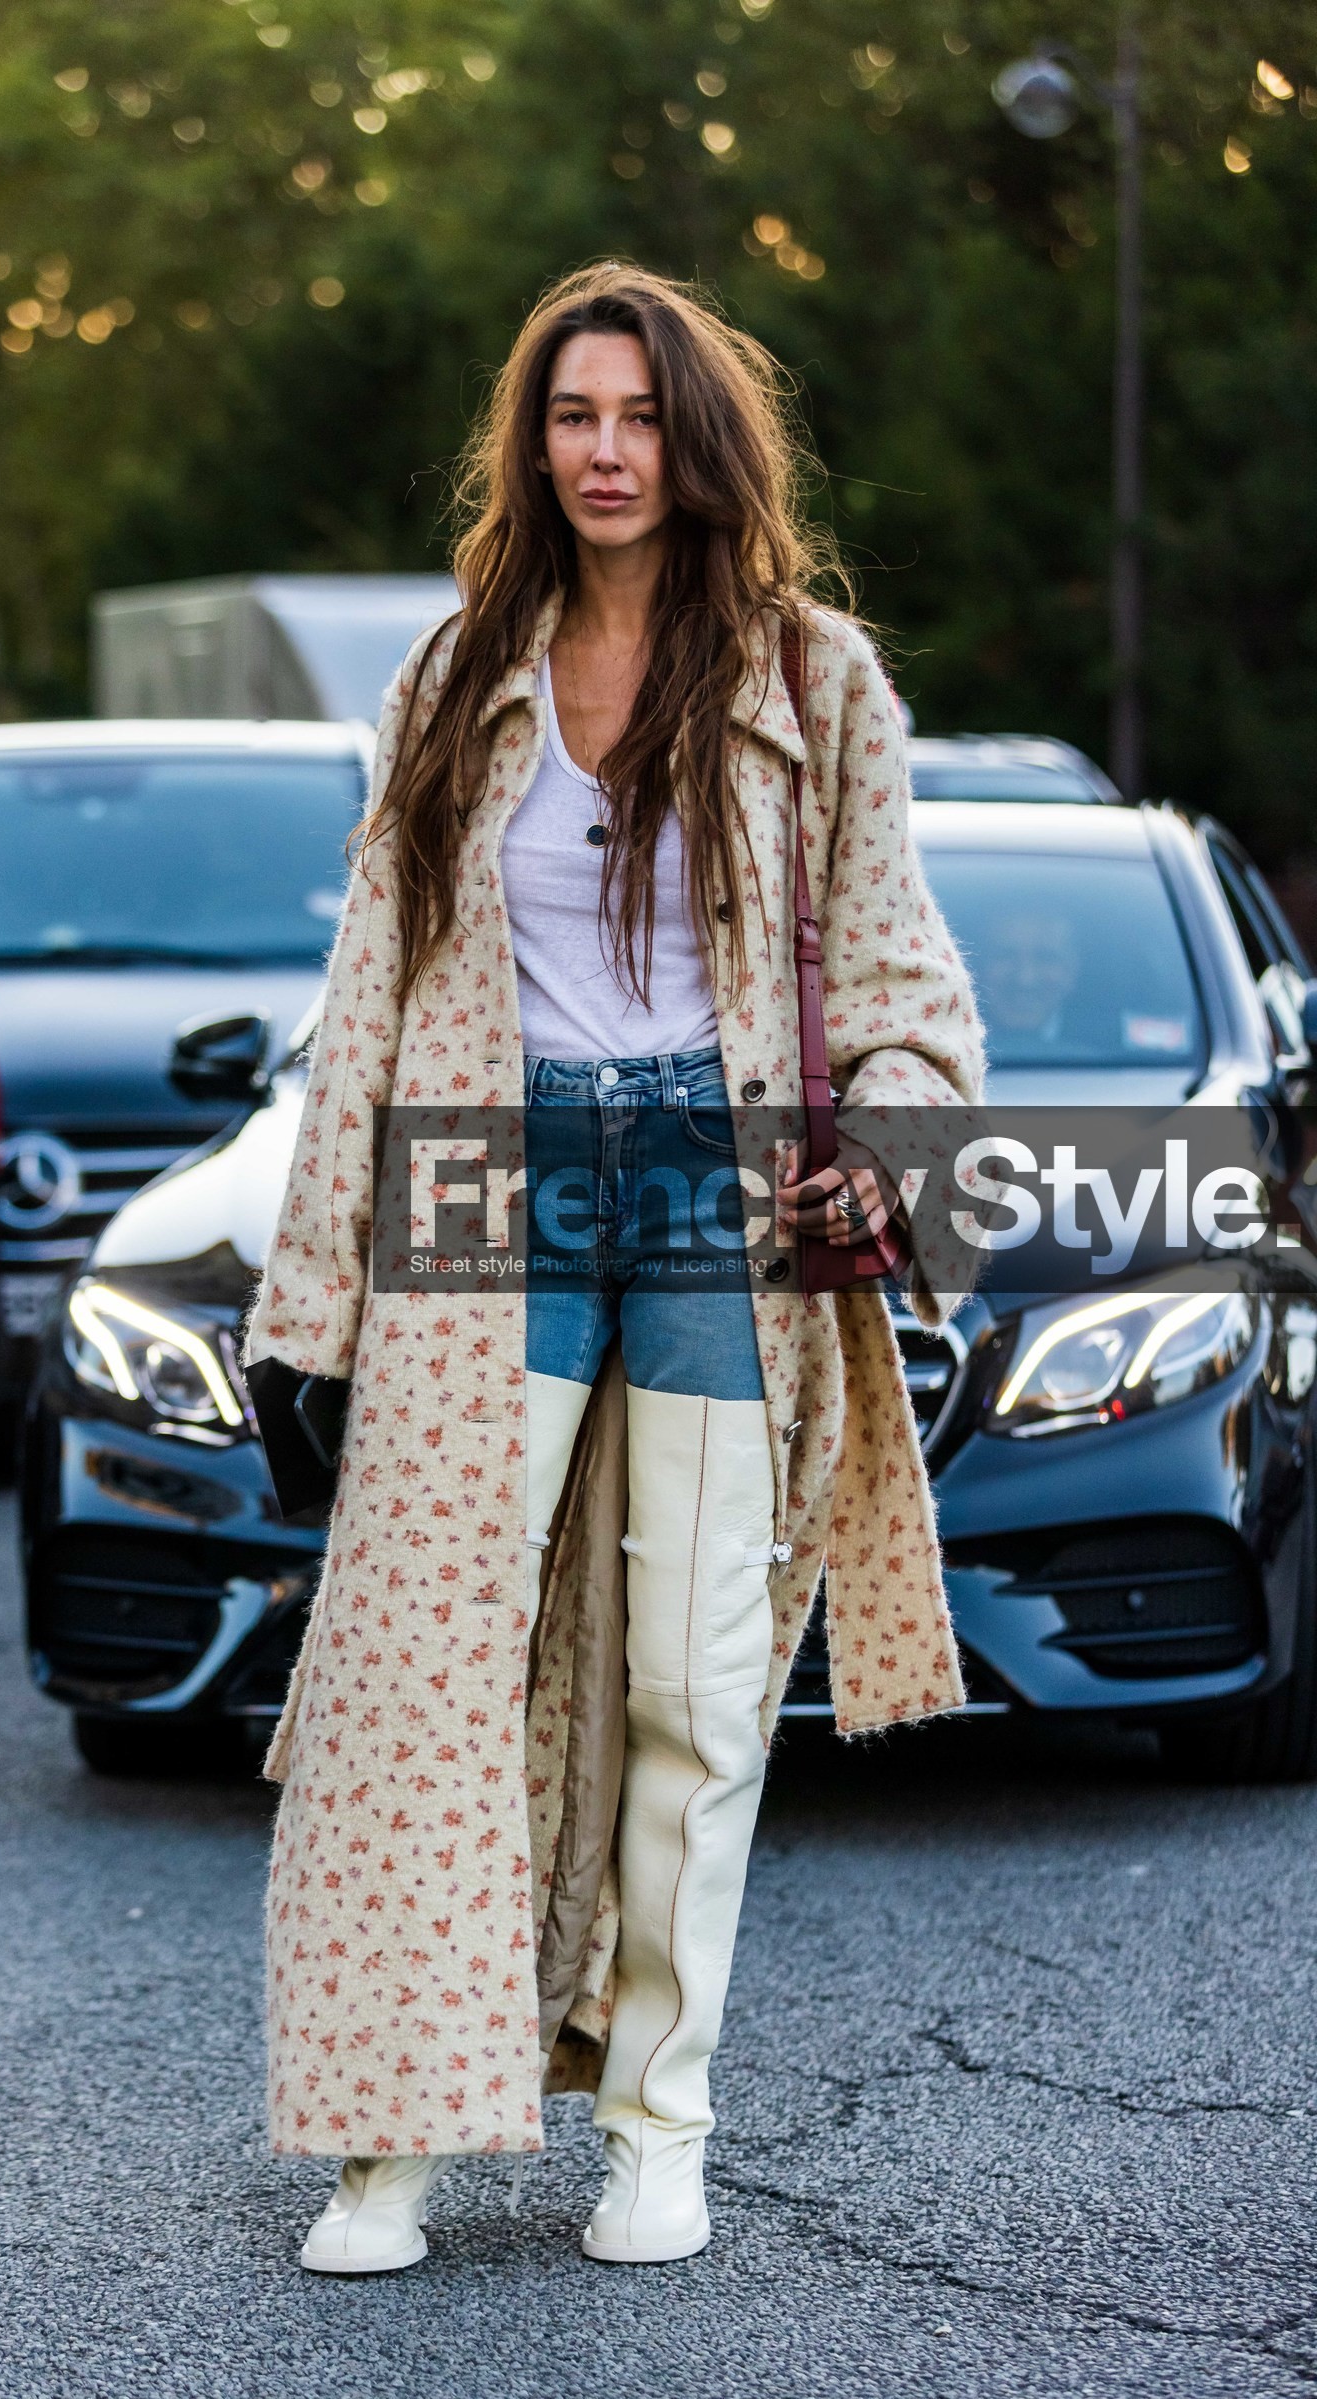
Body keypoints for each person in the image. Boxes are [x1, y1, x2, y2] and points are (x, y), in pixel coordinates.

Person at [241, 262, 982, 2273]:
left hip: (719, 1196)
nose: (601, 450)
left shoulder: (814, 683)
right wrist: (302, 1321)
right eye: (570, 414)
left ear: (699, 439)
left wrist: (888, 1152)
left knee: (695, 1690)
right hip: (486, 1188)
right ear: (528, 439)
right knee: (415, 1677)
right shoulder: (449, 673)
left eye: (638, 415)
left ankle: (657, 2128)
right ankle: (383, 2144)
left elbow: (910, 993)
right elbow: (371, 996)